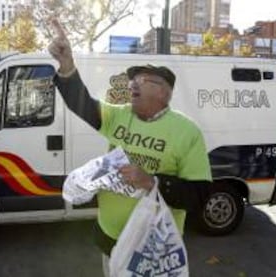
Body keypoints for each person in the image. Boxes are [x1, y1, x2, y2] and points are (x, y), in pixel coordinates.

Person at [48, 19, 212, 276]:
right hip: (109, 238)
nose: (132, 84)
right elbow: (80, 103)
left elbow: (200, 195)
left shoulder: (187, 132)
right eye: (132, 80)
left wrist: (152, 182)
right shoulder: (118, 116)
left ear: (164, 93)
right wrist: (67, 65)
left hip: (152, 248)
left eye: (143, 79)